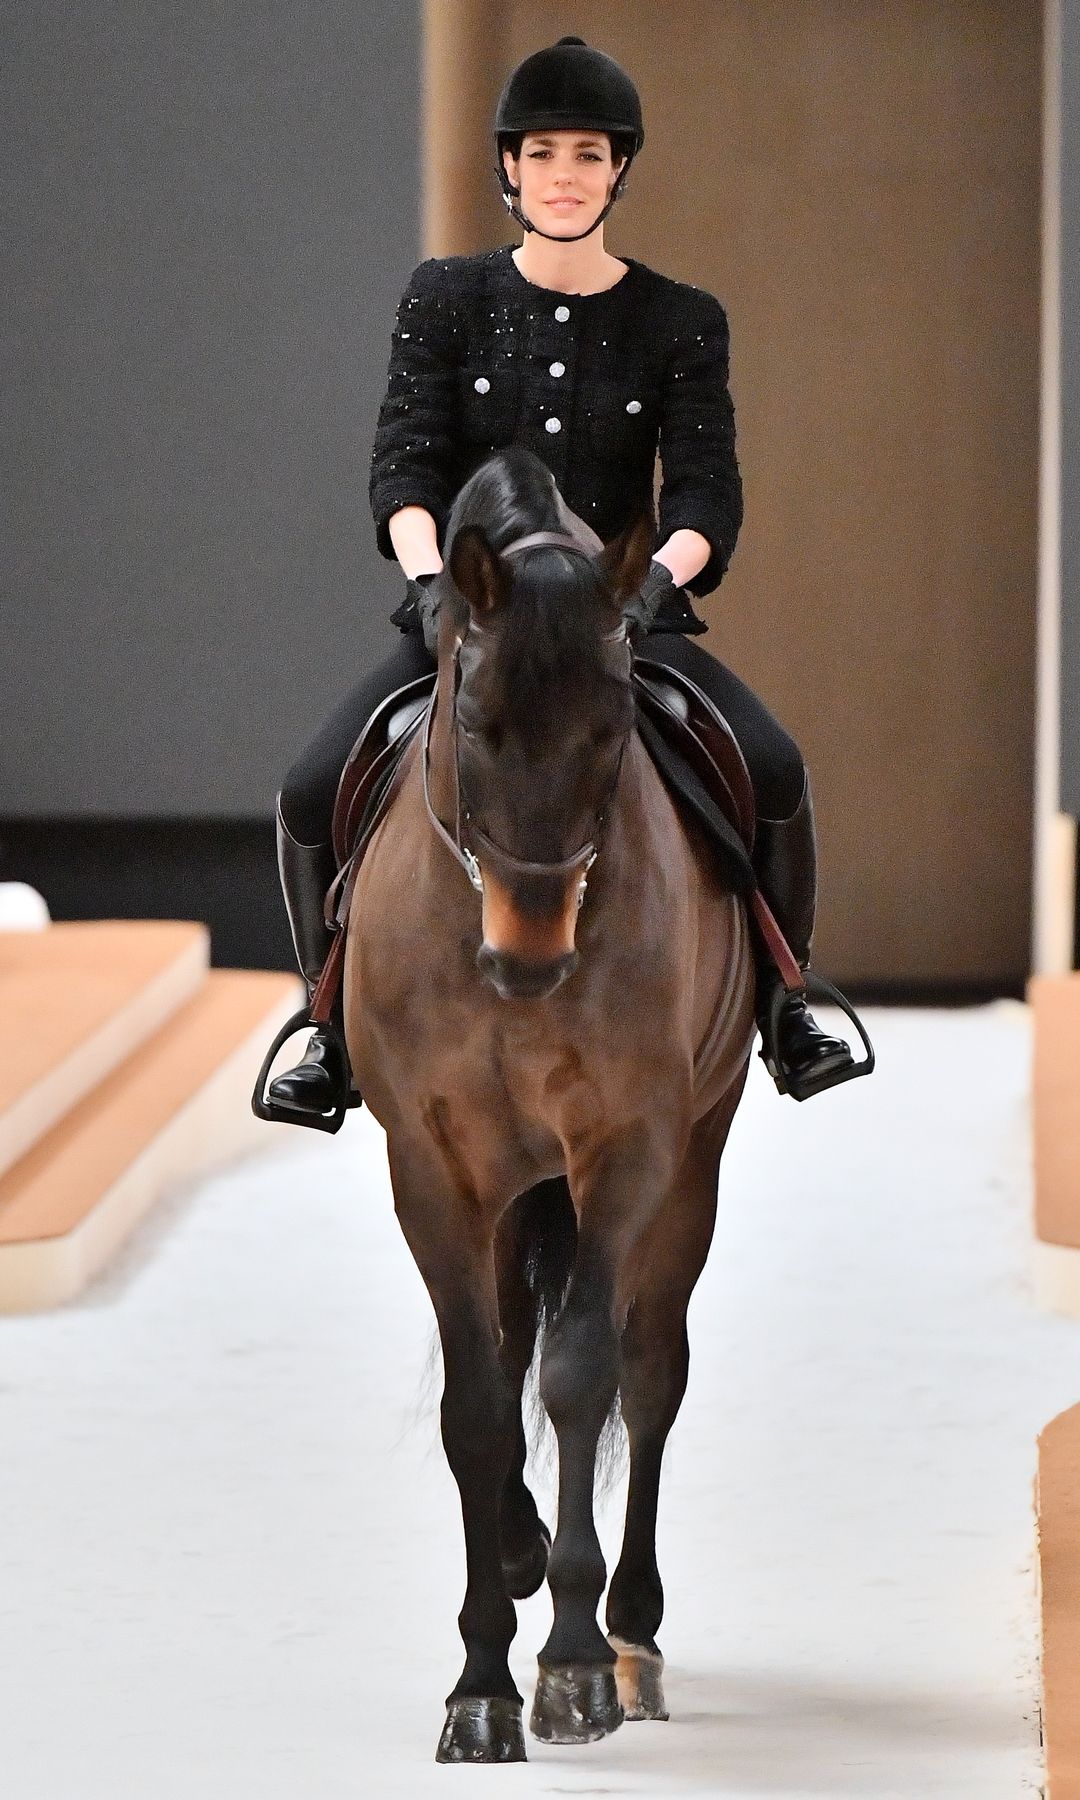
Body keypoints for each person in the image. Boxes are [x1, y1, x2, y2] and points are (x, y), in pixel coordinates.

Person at [267, 34, 868, 1120]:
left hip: (617, 629)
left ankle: (786, 1004)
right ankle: (326, 1027)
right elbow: (403, 465)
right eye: (542, 152)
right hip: (471, 620)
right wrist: (437, 588)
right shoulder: (446, 296)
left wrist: (645, 594)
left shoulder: (681, 319)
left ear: (618, 171)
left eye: (587, 155)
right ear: (510, 168)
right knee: (314, 789)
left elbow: (704, 494)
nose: (563, 175)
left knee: (773, 769)